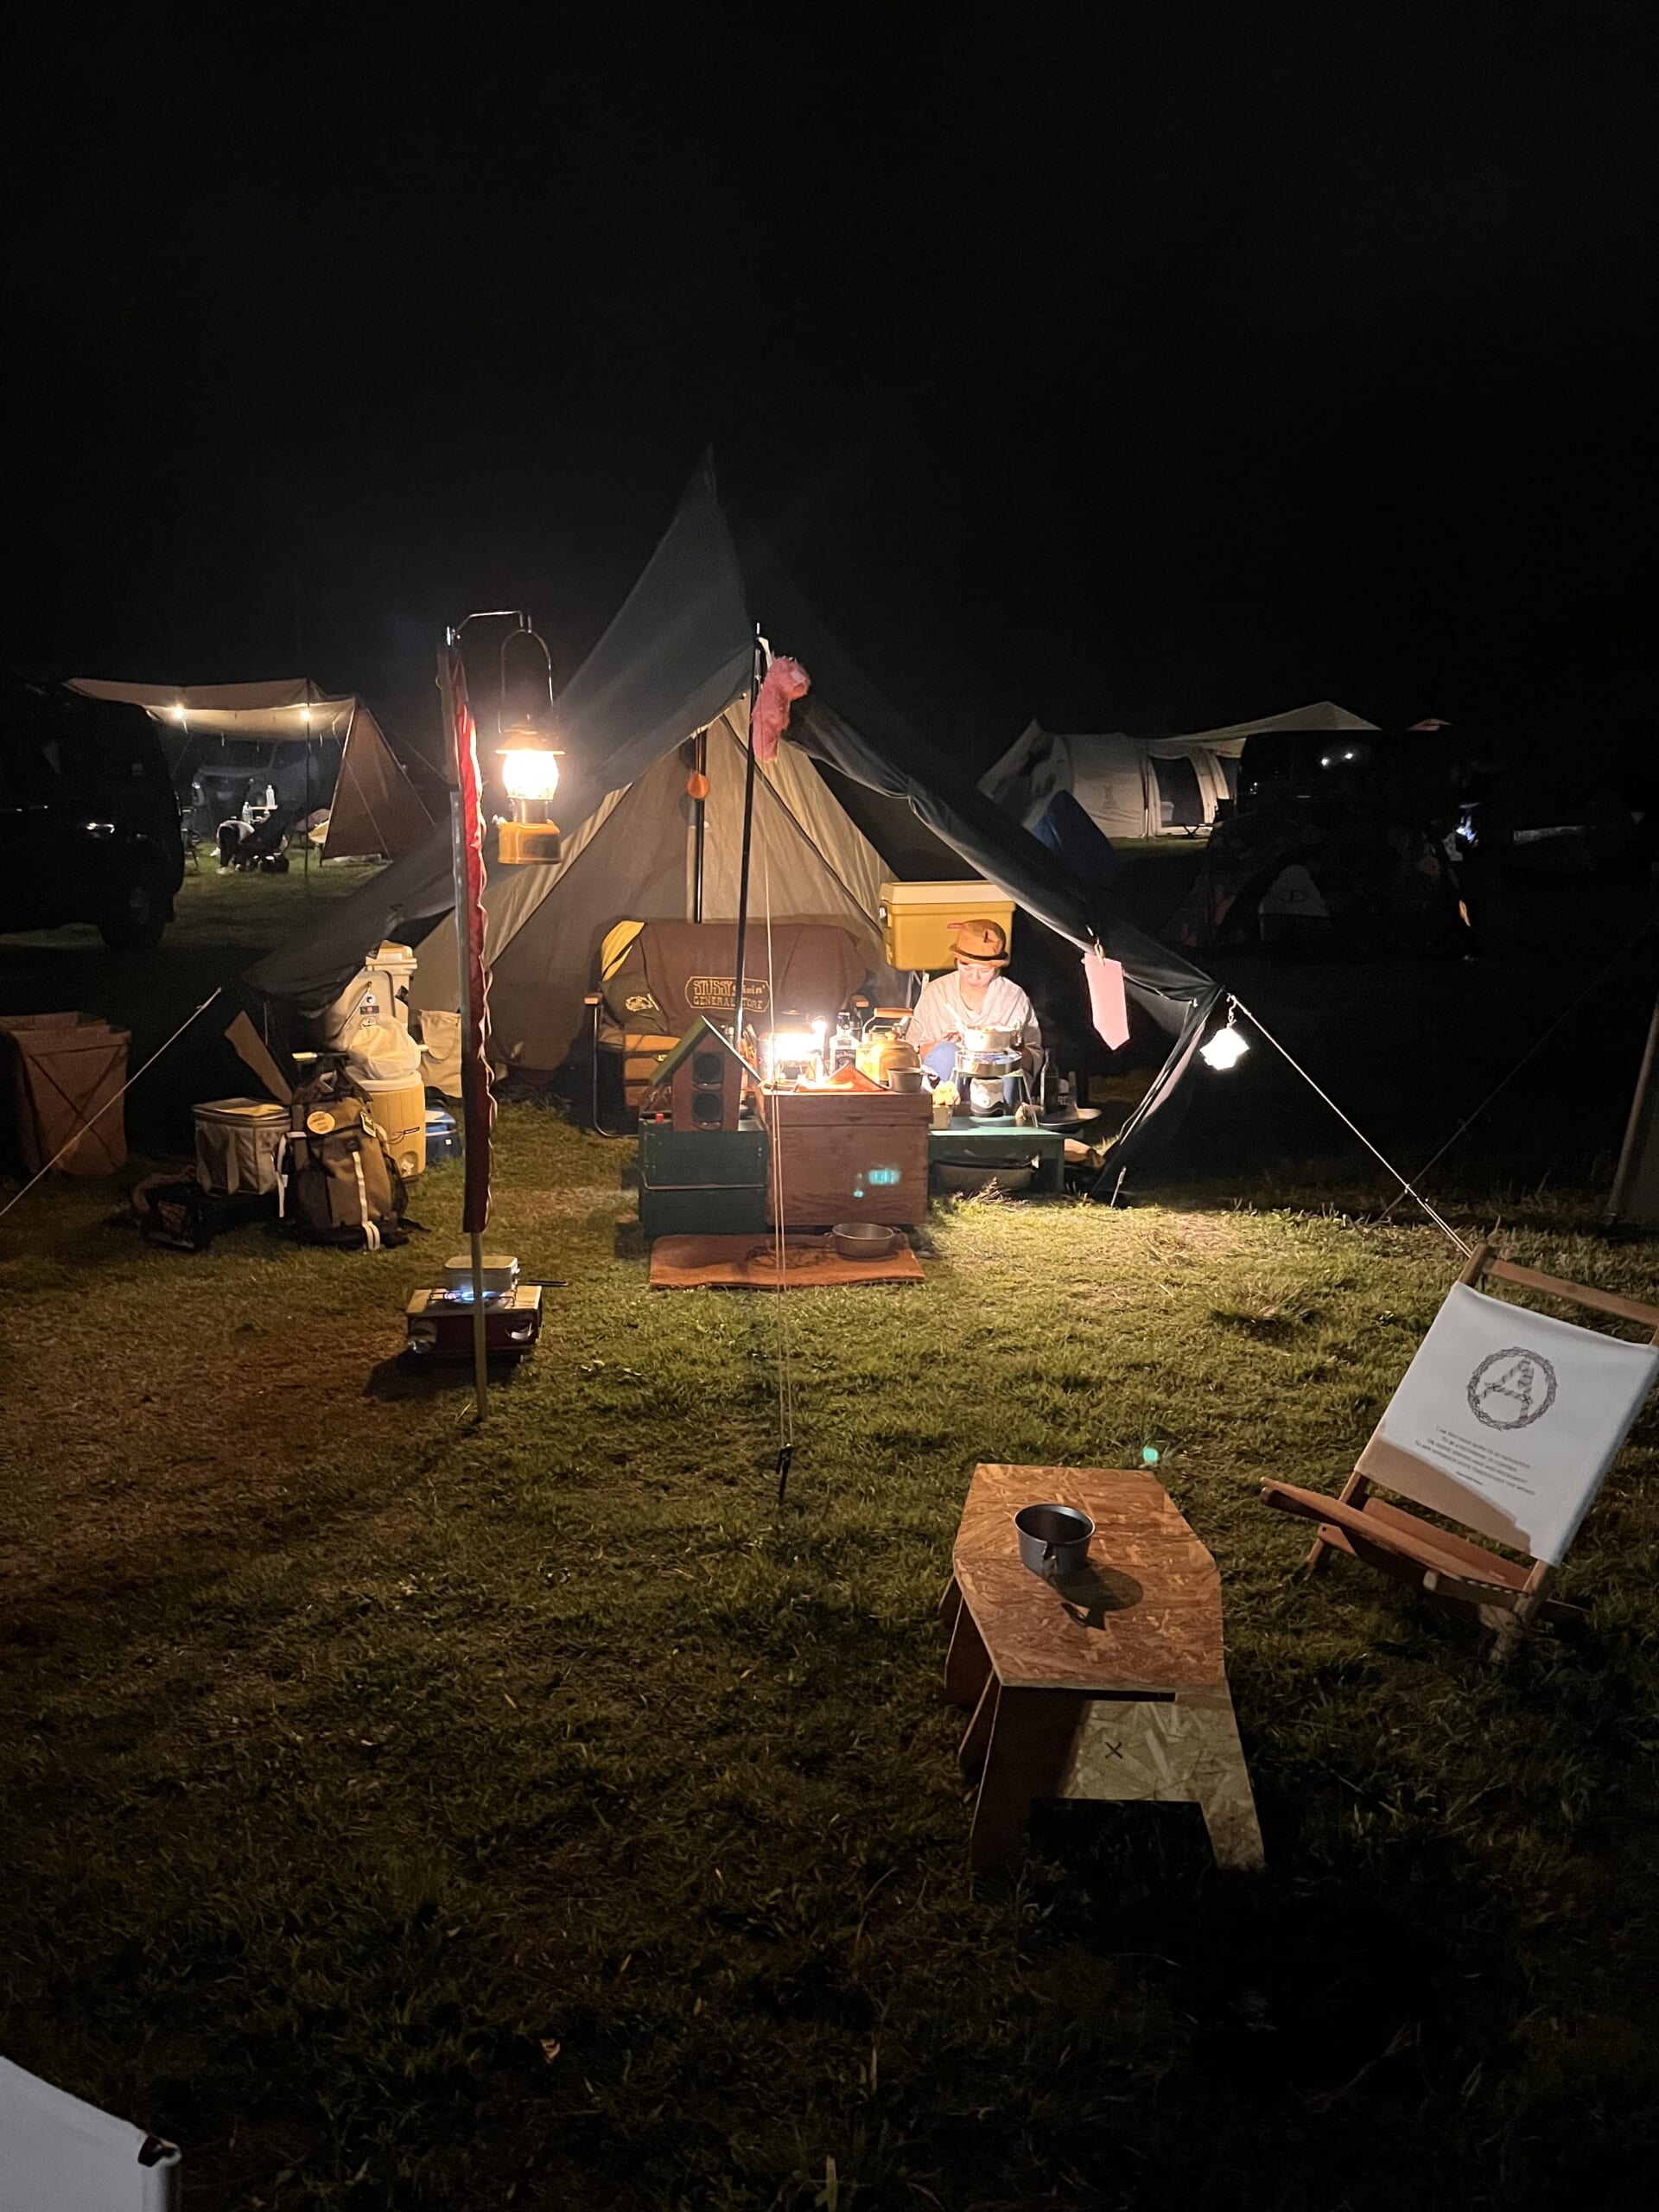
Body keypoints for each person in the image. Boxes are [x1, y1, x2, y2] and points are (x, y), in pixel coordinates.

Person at [905, 918, 1041, 1075]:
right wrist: (939, 1047)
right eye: (967, 967)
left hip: (996, 1080)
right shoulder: (936, 994)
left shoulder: (1012, 998)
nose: (974, 977)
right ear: (956, 961)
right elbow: (910, 1053)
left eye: (984, 971)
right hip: (944, 1084)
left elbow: (1033, 1059)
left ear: (997, 968)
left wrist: (1011, 1048)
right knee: (946, 1053)